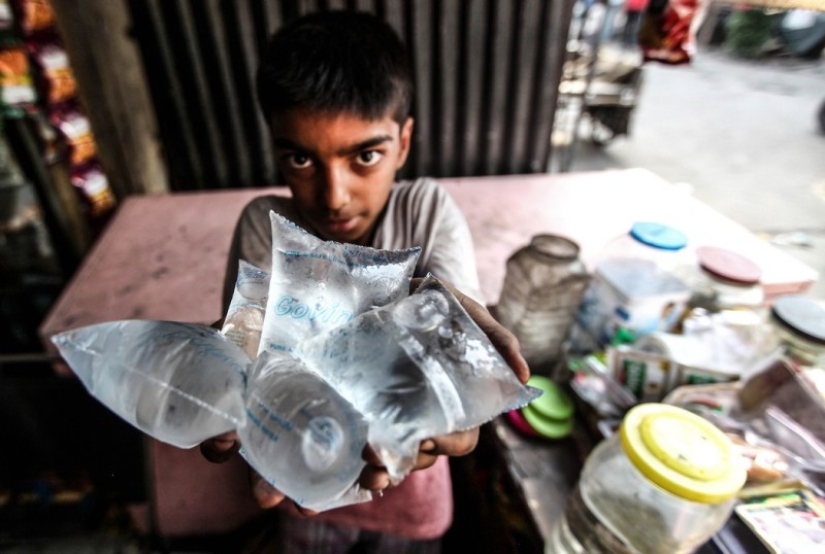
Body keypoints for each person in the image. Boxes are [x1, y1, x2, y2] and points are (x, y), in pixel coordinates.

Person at [199, 10, 529, 553]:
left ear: (404, 142)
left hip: (413, 493)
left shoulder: (426, 209)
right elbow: (252, 358)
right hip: (305, 479)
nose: (334, 195)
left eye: (365, 156)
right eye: (302, 158)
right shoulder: (266, 225)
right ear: (275, 149)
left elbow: (454, 331)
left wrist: (461, 367)